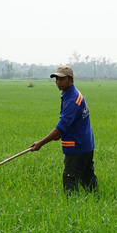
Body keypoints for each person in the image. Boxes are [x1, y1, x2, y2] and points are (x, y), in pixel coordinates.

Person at [30, 65, 98, 193]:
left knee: (70, 180)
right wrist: (61, 132)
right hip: (85, 143)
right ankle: (96, 202)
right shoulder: (70, 94)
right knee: (88, 178)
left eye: (62, 79)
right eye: (56, 79)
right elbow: (70, 122)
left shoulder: (72, 100)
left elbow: (62, 125)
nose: (58, 82)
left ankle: (72, 208)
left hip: (76, 146)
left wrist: (41, 143)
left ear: (71, 80)